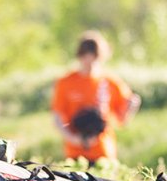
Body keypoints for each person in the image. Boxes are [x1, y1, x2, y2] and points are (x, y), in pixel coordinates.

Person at [50, 30, 140, 164]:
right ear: (80, 56)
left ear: (102, 57)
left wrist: (132, 106)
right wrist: (73, 138)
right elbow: (57, 117)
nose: (90, 62)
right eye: (86, 56)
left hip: (103, 153)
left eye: (94, 57)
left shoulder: (110, 81)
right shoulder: (66, 82)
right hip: (75, 154)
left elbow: (122, 120)